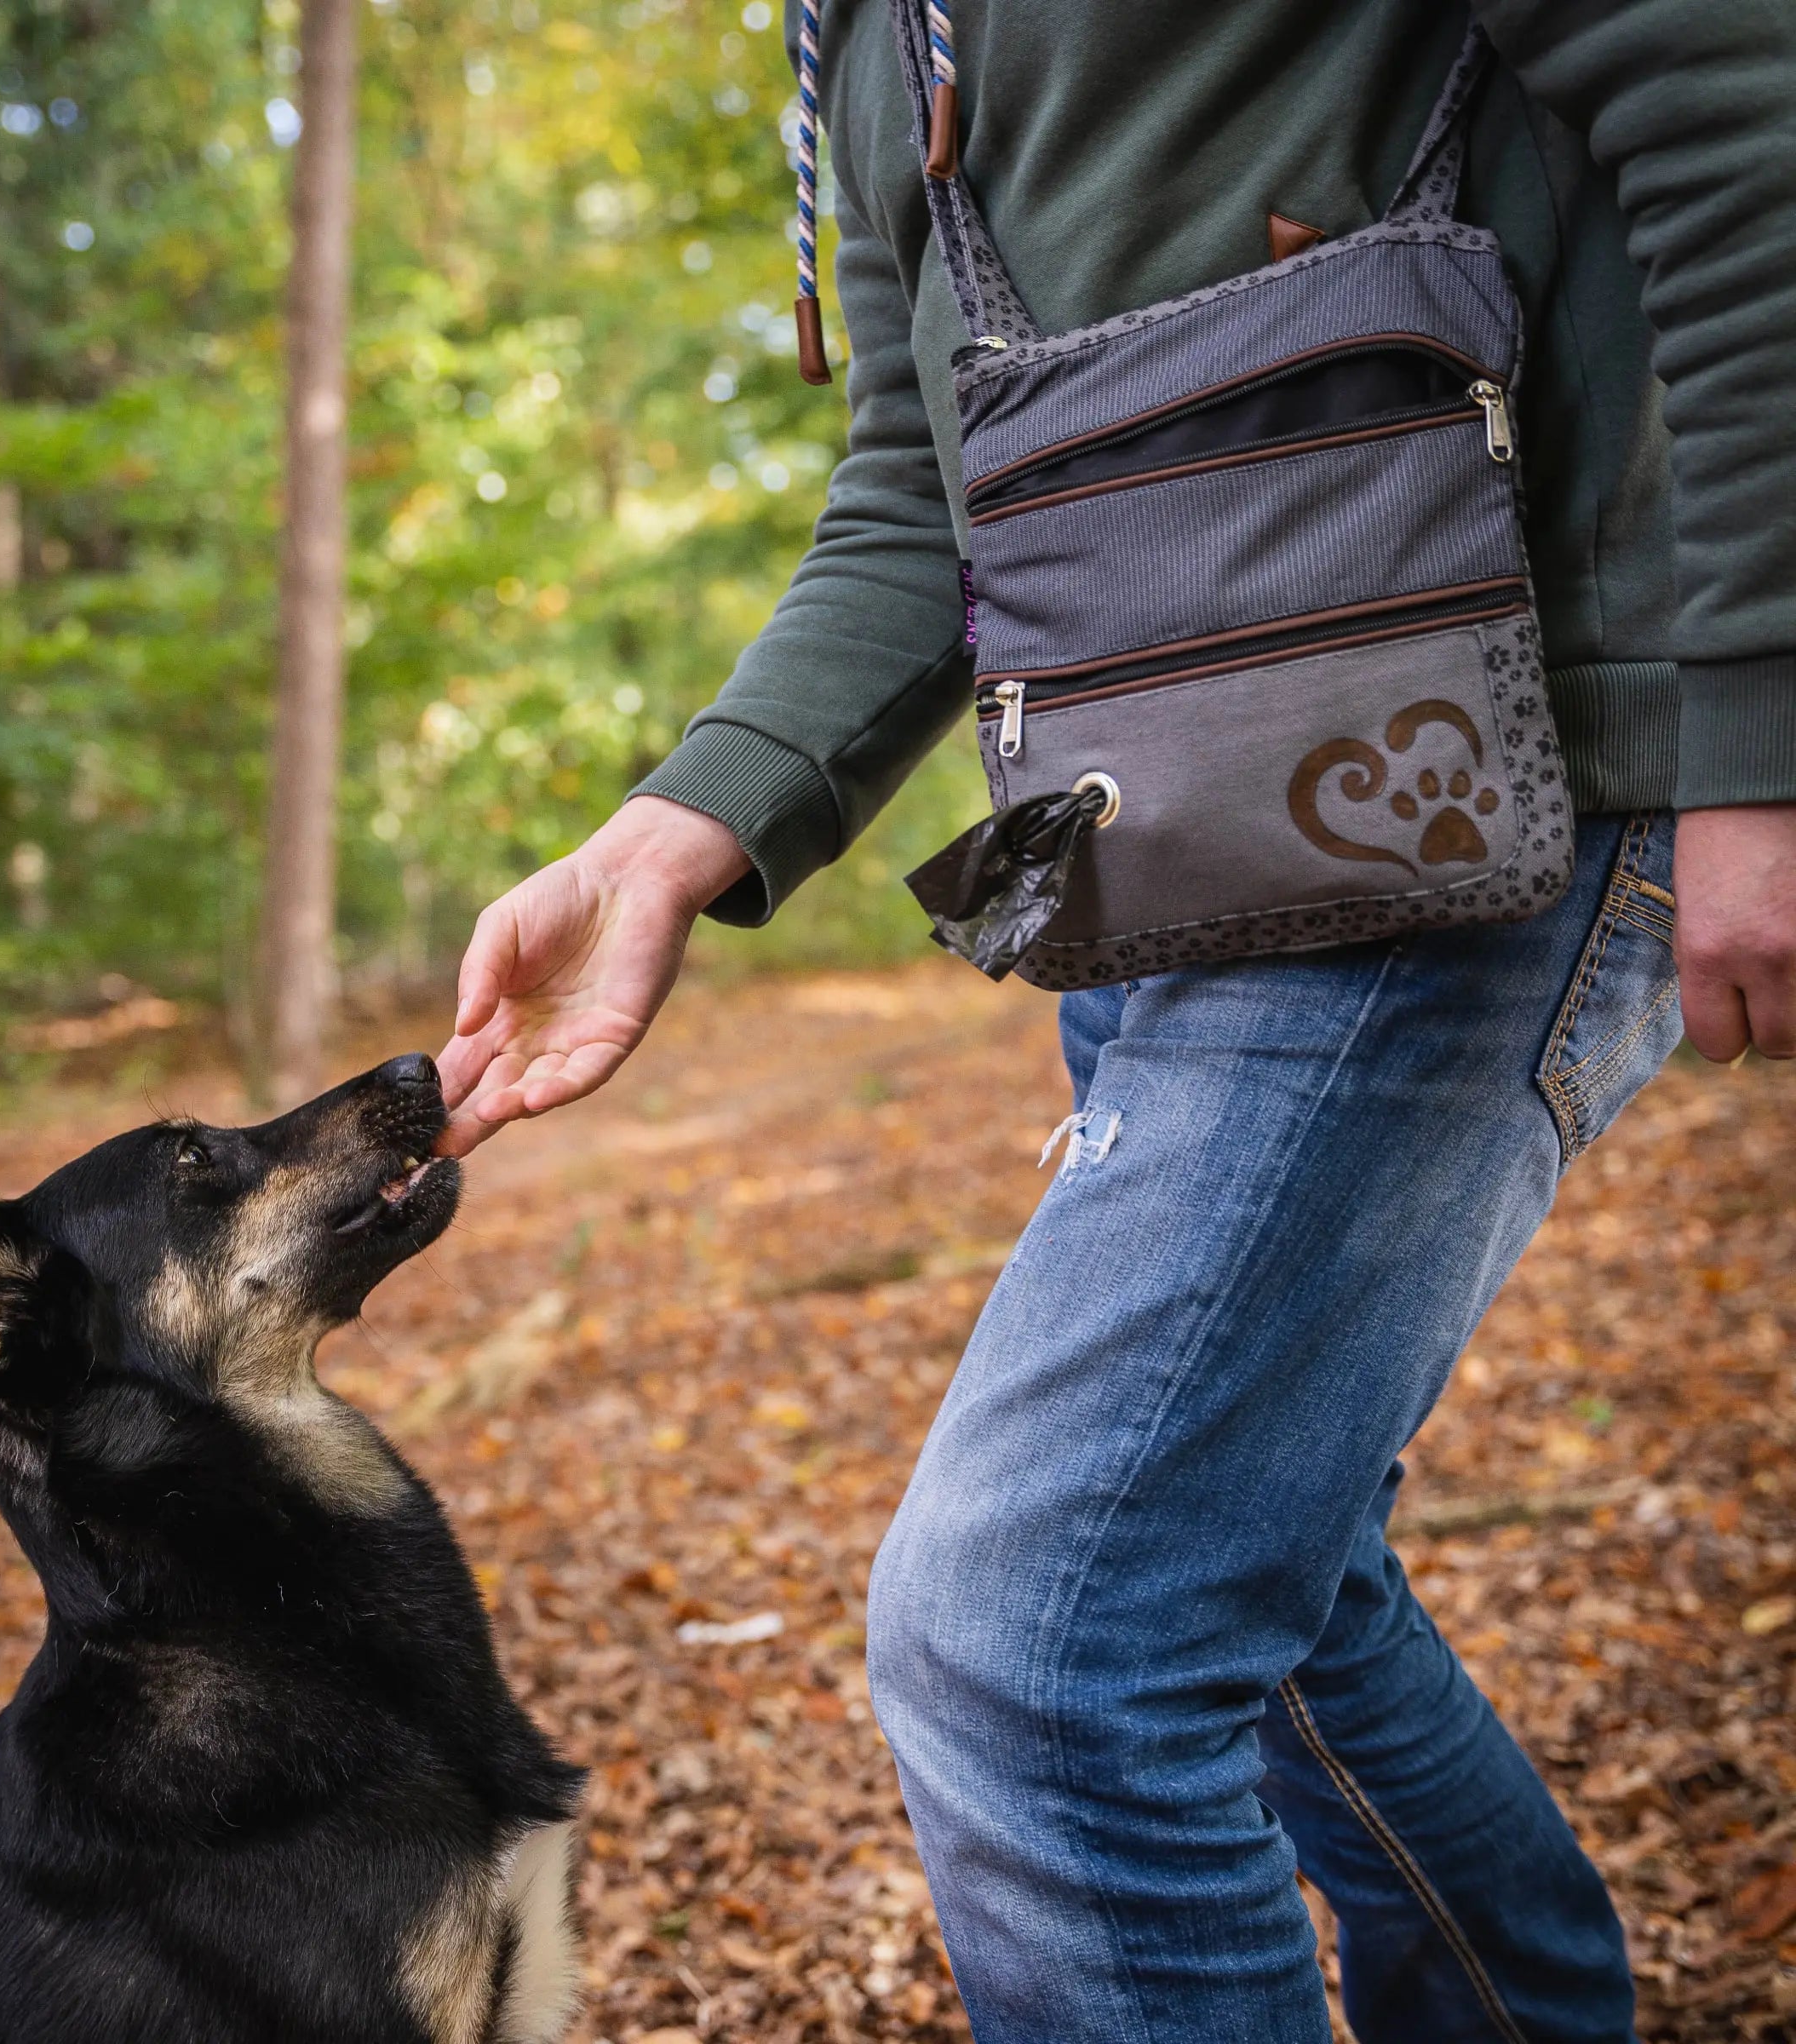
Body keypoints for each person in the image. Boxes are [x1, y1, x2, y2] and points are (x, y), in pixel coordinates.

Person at [435, 3, 1796, 2035]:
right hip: (1164, 858)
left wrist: (1763, 719)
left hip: (1488, 796)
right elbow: (928, 491)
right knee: (1283, 1589)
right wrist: (672, 838)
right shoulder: (862, 31)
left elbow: (1740, 116)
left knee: (1044, 1639)